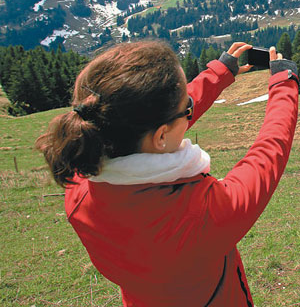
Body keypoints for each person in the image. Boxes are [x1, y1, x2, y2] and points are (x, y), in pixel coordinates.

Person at [36, 41, 299, 307]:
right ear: (161, 135)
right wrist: (284, 83)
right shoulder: (202, 215)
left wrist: (218, 73)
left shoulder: (79, 187)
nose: (189, 111)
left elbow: (140, 121)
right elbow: (269, 151)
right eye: (186, 108)